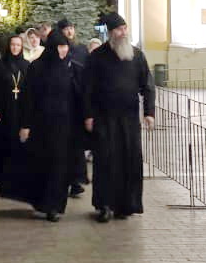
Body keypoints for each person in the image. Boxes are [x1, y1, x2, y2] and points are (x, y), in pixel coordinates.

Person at [83, 12, 156, 223]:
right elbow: (87, 89)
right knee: (106, 160)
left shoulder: (137, 55)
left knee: (129, 160)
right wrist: (88, 115)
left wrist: (149, 112)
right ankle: (104, 205)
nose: (123, 33)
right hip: (104, 118)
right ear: (111, 33)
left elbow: (148, 85)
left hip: (129, 119)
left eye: (125, 28)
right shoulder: (97, 57)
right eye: (118, 30)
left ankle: (126, 204)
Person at [19, 27, 85, 222]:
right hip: (42, 126)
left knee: (60, 168)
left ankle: (55, 206)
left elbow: (79, 96)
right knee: (43, 166)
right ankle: (43, 202)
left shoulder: (71, 68)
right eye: (60, 47)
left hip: (65, 128)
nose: (63, 50)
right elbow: (28, 98)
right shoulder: (37, 68)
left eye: (65, 46)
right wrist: (25, 124)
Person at [0, 32, 29, 193]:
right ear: (8, 47)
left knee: (18, 148)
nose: (15, 48)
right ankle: (1, 182)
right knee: (1, 147)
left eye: (18, 45)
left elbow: (30, 91)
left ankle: (16, 183)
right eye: (13, 45)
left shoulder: (27, 65)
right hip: (2, 113)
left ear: (21, 47)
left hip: (19, 113)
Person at [56, 19, 89, 195]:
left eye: (71, 28)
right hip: (61, 105)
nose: (69, 31)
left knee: (76, 146)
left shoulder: (82, 49)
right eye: (66, 29)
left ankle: (76, 180)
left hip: (77, 104)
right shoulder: (55, 49)